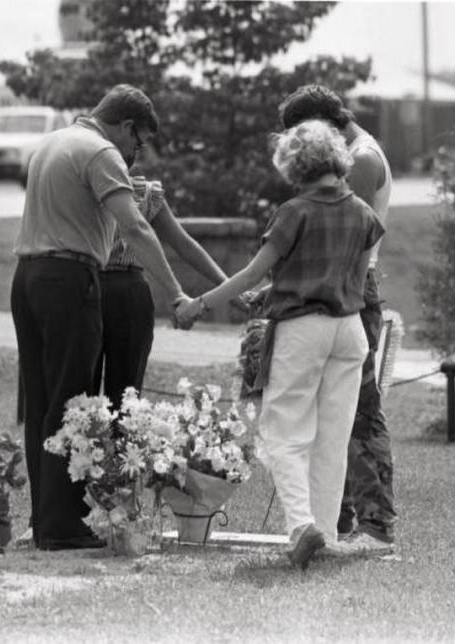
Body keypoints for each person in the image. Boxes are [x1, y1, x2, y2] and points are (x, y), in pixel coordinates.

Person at [176, 119, 383, 569]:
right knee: (332, 439)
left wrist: (200, 304)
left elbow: (253, 273)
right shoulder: (364, 213)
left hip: (302, 329)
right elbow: (353, 278)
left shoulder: (294, 212)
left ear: (295, 163)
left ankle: (301, 527)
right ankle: (325, 533)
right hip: (349, 331)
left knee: (283, 433)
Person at [11, 84, 192, 551]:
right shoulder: (101, 152)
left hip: (27, 277)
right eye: (139, 141)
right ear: (126, 126)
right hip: (70, 279)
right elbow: (134, 225)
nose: (135, 153)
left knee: (42, 400)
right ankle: (64, 526)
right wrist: (174, 294)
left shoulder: (51, 142)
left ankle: (42, 519)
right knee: (73, 402)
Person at [278, 85, 397, 554]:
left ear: (322, 124)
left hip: (350, 287)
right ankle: (336, 516)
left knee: (360, 409)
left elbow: (346, 236)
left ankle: (375, 523)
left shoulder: (362, 159)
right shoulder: (345, 154)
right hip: (338, 285)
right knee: (330, 408)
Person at [93, 174, 228, 409]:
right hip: (87, 284)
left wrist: (228, 286)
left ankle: (123, 442)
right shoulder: (86, 182)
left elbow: (184, 244)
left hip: (129, 288)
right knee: (80, 386)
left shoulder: (146, 193)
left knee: (126, 393)